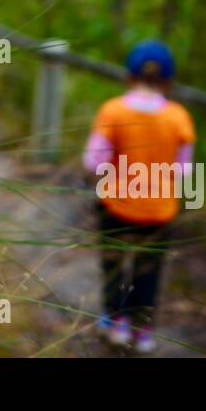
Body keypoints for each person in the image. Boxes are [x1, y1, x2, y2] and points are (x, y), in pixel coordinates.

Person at [81, 40, 196, 353]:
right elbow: (183, 171)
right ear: (169, 82)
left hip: (116, 204)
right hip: (159, 210)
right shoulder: (180, 118)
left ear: (129, 77)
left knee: (114, 265)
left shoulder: (113, 111)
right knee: (149, 270)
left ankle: (115, 321)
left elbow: (94, 161)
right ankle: (142, 331)